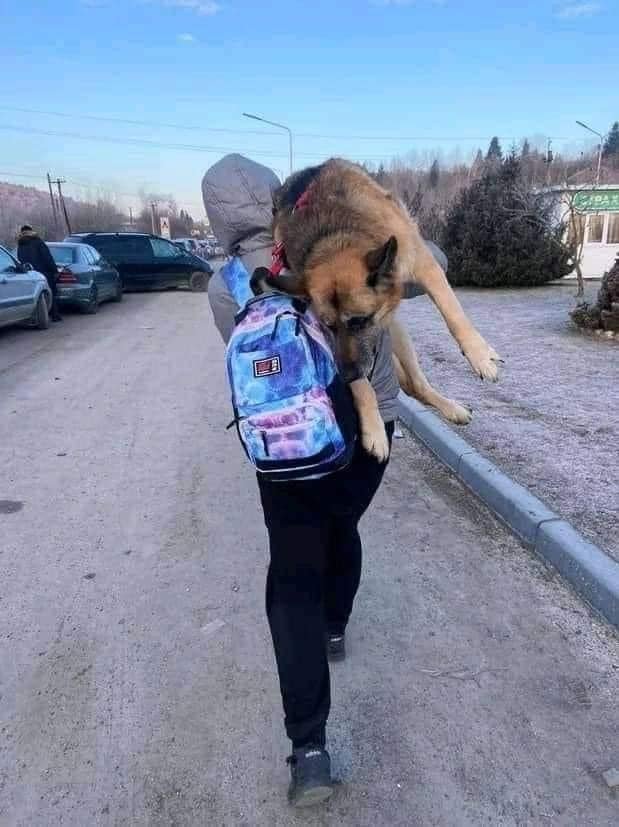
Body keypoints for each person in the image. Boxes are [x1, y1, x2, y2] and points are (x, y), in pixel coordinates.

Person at [202, 154, 446, 807]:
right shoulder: (336, 239)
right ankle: (336, 623)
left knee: (292, 577)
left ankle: (309, 748)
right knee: (345, 524)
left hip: (287, 446)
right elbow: (432, 267)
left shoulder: (225, 282)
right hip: (370, 430)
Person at [17, 225, 62, 322]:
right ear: (31, 231)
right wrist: (54, 270)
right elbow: (47, 257)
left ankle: (35, 317)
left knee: (34, 296)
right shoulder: (37, 241)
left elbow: (19, 260)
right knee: (50, 292)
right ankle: (54, 315)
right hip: (44, 272)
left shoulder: (20, 244)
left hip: (29, 274)